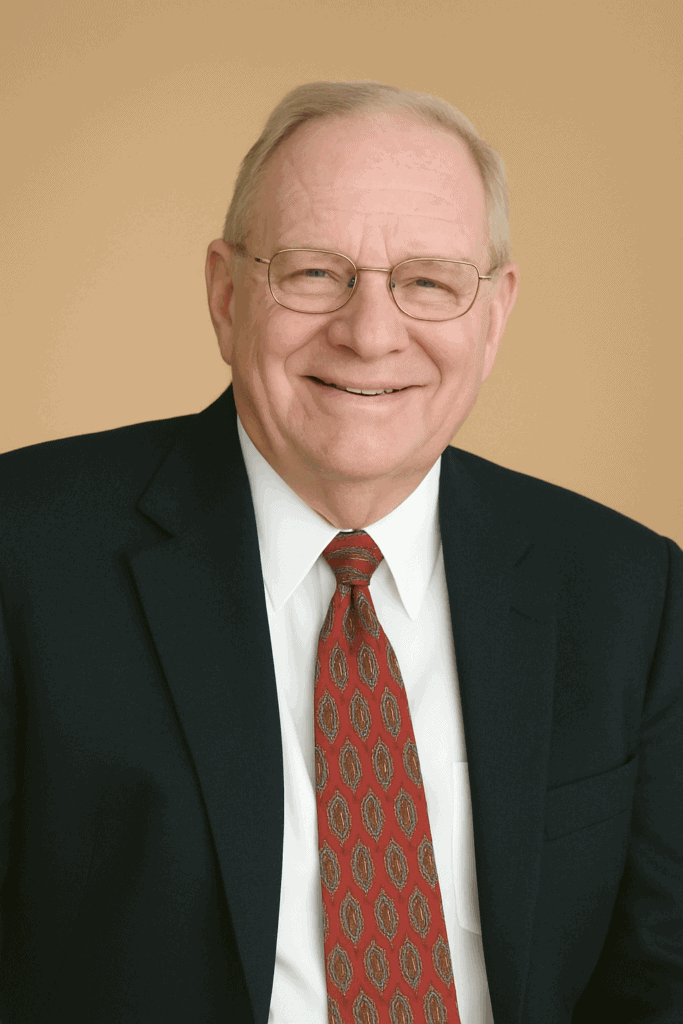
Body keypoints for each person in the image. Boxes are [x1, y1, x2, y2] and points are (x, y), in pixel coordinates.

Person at [0, 80, 681, 1024]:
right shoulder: (22, 552)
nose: (369, 334)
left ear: (493, 315)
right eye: (315, 272)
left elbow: (660, 980)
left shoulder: (625, 590)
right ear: (226, 292)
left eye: (427, 281)